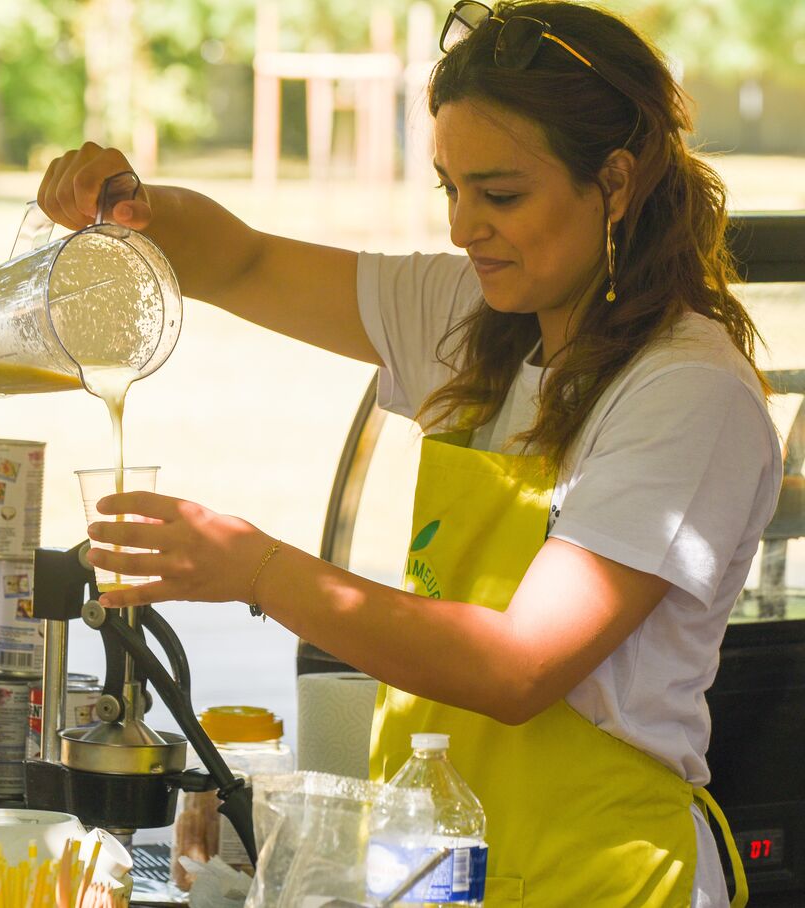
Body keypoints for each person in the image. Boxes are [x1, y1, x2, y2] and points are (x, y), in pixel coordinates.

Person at [38, 2, 781, 905]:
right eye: (450, 188)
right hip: (441, 868)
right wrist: (123, 202)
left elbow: (519, 666)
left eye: (500, 194)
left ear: (616, 182)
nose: (466, 225)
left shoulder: (687, 392)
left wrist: (255, 568)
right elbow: (236, 263)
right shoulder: (474, 317)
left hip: (600, 874)